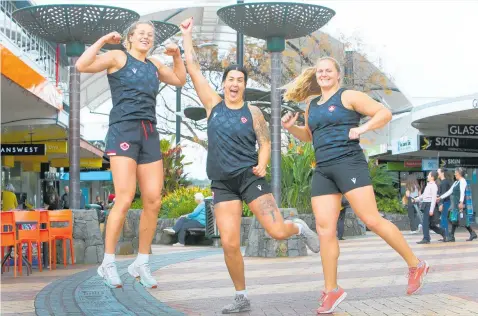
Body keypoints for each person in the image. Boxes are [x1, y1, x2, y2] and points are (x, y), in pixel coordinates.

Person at [180, 17, 319, 314]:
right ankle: (241, 296)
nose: (235, 83)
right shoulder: (212, 105)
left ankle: (300, 227)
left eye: (240, 80)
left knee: (278, 231)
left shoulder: (252, 111)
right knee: (229, 243)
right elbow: (192, 68)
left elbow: (265, 143)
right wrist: (187, 35)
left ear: (244, 85)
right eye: (231, 79)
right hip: (221, 183)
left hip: (249, 177)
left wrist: (262, 164)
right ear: (223, 83)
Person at [282, 56, 429, 314]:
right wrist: (292, 128)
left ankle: (416, 264)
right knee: (325, 230)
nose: (324, 74)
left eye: (328, 71)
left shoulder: (348, 96)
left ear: (338, 75)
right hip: (324, 169)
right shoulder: (312, 104)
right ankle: (331, 290)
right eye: (320, 71)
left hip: (349, 163)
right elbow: (309, 136)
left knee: (371, 219)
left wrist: (362, 130)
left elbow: (384, 113)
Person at [76, 20, 186, 289]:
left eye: (150, 35)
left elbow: (180, 79)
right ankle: (108, 263)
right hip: (123, 130)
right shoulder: (117, 56)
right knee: (124, 198)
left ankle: (142, 262)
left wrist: (177, 56)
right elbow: (82, 65)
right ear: (130, 38)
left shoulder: (155, 64)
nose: (147, 37)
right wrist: (103, 40)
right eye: (141, 34)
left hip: (149, 132)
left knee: (153, 200)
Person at [437, 167, 477, 242]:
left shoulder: (462, 181)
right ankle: (455, 235)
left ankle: (471, 233)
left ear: (459, 173)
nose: (454, 173)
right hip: (456, 204)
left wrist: (461, 202)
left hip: (459, 204)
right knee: (454, 219)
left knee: (460, 219)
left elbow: (462, 192)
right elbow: (449, 191)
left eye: (455, 172)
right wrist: (440, 197)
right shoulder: (456, 182)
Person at [412, 171, 445, 244]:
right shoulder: (428, 185)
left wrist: (431, 210)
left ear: (432, 177)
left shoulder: (433, 186)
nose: (427, 176)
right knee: (430, 224)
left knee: (425, 223)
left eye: (429, 175)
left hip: (429, 205)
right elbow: (424, 195)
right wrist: (416, 199)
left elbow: (433, 199)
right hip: (426, 204)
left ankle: (426, 238)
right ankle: (443, 233)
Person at [437, 168, 452, 241]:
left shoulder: (444, 182)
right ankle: (445, 235)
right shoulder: (444, 182)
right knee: (443, 219)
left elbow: (443, 194)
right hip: (445, 202)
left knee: (444, 219)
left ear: (442, 173)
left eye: (438, 172)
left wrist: (441, 204)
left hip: (445, 202)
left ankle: (446, 235)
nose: (437, 173)